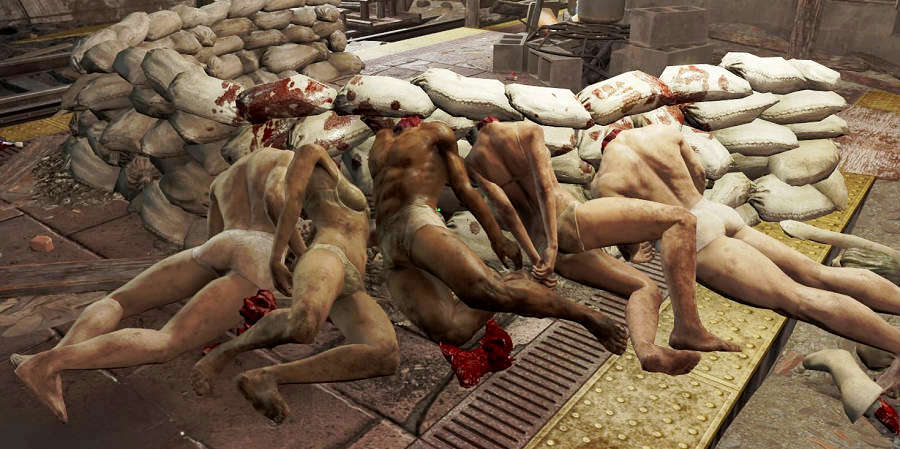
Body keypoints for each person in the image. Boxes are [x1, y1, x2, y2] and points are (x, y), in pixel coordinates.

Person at [591, 124, 900, 394]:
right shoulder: (663, 133)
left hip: (694, 237)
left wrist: (636, 250)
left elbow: (629, 231)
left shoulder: (606, 180)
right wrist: (693, 201)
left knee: (797, 298)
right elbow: (699, 174)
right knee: (817, 274)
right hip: (714, 211)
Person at [464, 118, 739, 375]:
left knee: (644, 287)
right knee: (681, 219)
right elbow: (545, 187)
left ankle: (648, 350)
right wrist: (553, 244)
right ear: (496, 120)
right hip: (568, 222)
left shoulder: (474, 160)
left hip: (545, 246)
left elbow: (507, 212)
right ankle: (688, 327)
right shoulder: (524, 131)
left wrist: (540, 258)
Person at [367, 115, 628, 358]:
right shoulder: (379, 143)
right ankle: (516, 282)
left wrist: (497, 238)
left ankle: (587, 316)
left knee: (484, 292)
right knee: (452, 331)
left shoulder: (435, 132)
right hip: (388, 240)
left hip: (417, 219)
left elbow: (464, 189)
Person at [190, 144, 399, 424]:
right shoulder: (308, 151)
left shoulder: (337, 176)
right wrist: (279, 257)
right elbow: (285, 201)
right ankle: (222, 353)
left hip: (353, 280)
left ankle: (267, 377)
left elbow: (361, 230)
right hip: (329, 255)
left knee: (384, 354)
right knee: (304, 326)